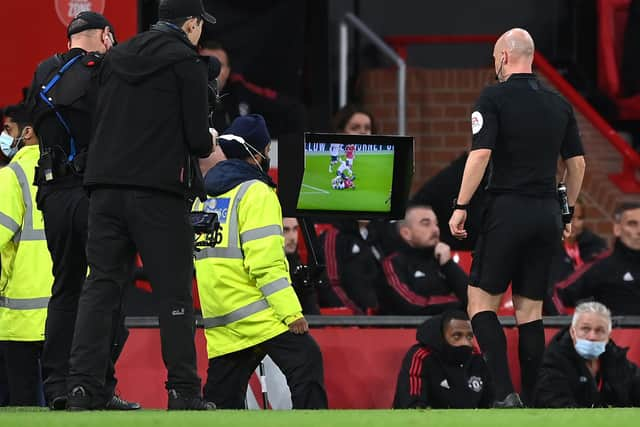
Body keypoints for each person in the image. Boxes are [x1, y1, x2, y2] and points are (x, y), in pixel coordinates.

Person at [65, 0, 216, 410]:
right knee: (173, 294)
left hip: (105, 187)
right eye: (201, 27)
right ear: (190, 23)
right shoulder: (186, 61)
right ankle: (184, 392)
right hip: (158, 192)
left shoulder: (119, 55)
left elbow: (100, 115)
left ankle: (81, 387)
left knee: (100, 287)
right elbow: (199, 141)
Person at [448, 28, 586, 407]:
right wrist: (567, 211)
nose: (494, 64)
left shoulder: (493, 97)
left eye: (495, 58)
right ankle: (534, 400)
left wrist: (461, 205)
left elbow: (480, 155)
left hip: (507, 209)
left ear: (505, 57)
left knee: (480, 304)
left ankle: (505, 394)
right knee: (530, 311)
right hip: (546, 214)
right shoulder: (560, 104)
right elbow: (577, 165)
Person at [23, 11, 137, 411]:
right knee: (108, 289)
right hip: (95, 195)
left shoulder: (44, 71)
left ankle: (56, 386)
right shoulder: (108, 72)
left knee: (65, 288)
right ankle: (94, 386)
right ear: (106, 36)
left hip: (53, 195)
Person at [193, 114, 328, 409]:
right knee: (306, 359)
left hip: (222, 319)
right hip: (260, 314)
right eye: (266, 151)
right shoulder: (257, 193)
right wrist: (292, 314)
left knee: (220, 403)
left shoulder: (204, 196)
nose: (268, 156)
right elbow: (265, 264)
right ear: (256, 153)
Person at [0, 104, 52, 406]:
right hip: (65, 312)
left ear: (28, 132)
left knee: (21, 408)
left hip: (19, 315)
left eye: (8, 130)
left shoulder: (12, 175)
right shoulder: (73, 171)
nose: (4, 137)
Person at [534, 302, 640, 407]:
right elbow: (556, 406)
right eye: (585, 329)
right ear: (572, 332)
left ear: (608, 335)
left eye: (599, 330)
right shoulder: (553, 362)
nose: (592, 336)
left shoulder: (616, 358)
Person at [198, 40, 306, 139]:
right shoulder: (185, 95)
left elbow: (291, 109)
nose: (212, 70)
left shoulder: (240, 92)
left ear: (227, 71)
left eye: (218, 65)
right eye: (206, 63)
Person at [393, 310, 494, 409]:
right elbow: (412, 406)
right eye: (457, 336)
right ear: (441, 336)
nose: (465, 343)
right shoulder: (421, 356)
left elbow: (491, 403)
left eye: (469, 336)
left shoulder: (476, 358)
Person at [379, 205, 468, 315]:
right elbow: (410, 304)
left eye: (436, 224)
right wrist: (459, 305)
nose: (435, 230)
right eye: (426, 224)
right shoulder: (392, 262)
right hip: (405, 330)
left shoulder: (443, 260)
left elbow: (471, 300)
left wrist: (448, 264)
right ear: (406, 233)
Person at [554, 202, 640, 315]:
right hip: (616, 331)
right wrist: (567, 326)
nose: (639, 230)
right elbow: (558, 294)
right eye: (632, 224)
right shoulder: (601, 265)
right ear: (617, 228)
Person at [283, 217, 320, 315]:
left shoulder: (300, 270)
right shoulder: (267, 268)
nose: (292, 237)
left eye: (295, 229)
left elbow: (312, 311)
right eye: (285, 230)